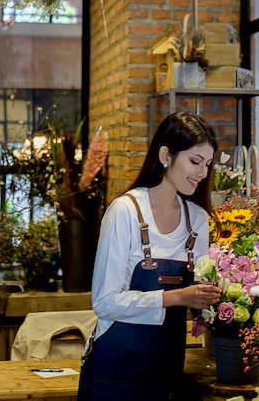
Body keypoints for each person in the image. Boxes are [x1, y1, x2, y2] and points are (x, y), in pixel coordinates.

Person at [77, 111, 222, 401]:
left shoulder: (198, 219)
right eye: (195, 161)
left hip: (165, 371)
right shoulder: (125, 212)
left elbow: (199, 293)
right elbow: (104, 303)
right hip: (111, 375)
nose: (203, 173)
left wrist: (206, 310)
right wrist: (178, 297)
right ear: (166, 155)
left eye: (207, 164)